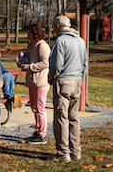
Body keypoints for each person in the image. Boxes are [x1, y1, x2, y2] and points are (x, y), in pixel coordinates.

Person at [48, 15, 88, 163]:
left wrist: (51, 78)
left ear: (58, 26)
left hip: (63, 81)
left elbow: (56, 65)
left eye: (54, 26)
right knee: (74, 117)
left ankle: (63, 153)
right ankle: (76, 151)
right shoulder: (80, 41)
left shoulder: (60, 41)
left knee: (61, 118)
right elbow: (85, 64)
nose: (53, 29)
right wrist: (80, 79)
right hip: (77, 81)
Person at [19, 23, 51, 144]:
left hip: (40, 82)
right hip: (31, 81)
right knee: (34, 107)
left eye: (29, 34)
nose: (28, 36)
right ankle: (37, 131)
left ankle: (42, 134)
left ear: (35, 33)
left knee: (40, 108)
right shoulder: (31, 45)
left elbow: (45, 63)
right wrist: (22, 63)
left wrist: (29, 67)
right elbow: (28, 58)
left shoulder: (42, 46)